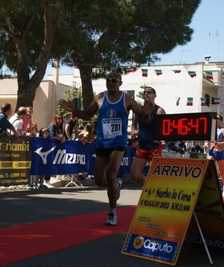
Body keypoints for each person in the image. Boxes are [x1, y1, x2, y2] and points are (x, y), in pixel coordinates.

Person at [58, 71, 153, 226]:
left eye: (114, 81)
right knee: (100, 181)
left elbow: (143, 116)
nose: (111, 83)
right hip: (102, 142)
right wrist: (73, 110)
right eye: (108, 80)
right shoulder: (100, 97)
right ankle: (117, 185)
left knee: (110, 173)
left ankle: (112, 213)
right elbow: (88, 114)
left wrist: (147, 114)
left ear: (120, 83)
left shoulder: (127, 99)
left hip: (119, 142)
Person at [130, 86, 166, 183]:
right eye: (144, 92)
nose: (146, 94)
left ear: (155, 95)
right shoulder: (139, 110)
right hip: (142, 146)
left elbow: (166, 127)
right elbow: (134, 124)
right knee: (134, 176)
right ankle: (148, 183)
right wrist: (133, 130)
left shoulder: (159, 111)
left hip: (154, 146)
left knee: (155, 176)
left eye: (149, 92)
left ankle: (155, 189)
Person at [207, 114, 224, 198]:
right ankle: (210, 187)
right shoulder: (210, 130)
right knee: (209, 167)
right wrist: (206, 145)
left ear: (221, 121)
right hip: (212, 152)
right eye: (215, 118)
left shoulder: (222, 130)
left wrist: (219, 143)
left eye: (218, 118)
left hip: (220, 153)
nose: (216, 120)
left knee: (221, 172)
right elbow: (207, 141)